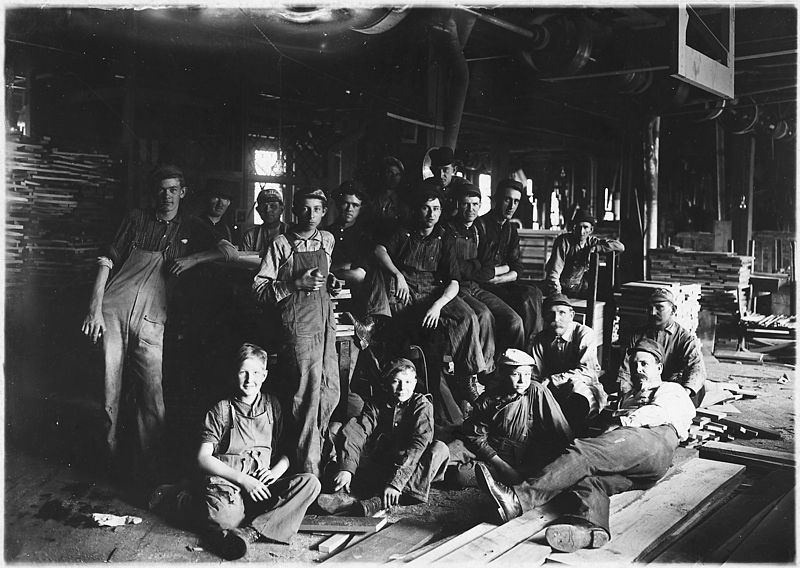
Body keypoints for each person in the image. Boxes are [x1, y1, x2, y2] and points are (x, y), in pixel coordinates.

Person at [81, 164, 237, 487]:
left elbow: (227, 251)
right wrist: (94, 308)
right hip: (114, 308)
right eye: (161, 190)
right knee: (109, 388)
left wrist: (193, 259)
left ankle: (152, 470)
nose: (166, 196)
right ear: (155, 193)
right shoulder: (137, 218)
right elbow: (107, 259)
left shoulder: (191, 226)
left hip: (154, 316)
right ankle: (107, 461)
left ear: (183, 192)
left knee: (153, 394)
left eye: (173, 189)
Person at [475, 338, 695, 553]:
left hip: (653, 439)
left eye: (644, 364)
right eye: (634, 364)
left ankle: (518, 499)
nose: (638, 369)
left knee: (584, 451)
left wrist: (619, 422)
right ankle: (588, 529)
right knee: (589, 481)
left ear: (659, 366)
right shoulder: (628, 397)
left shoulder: (670, 389)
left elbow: (660, 412)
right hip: (643, 467)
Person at [366, 182, 488, 423]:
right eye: (425, 208)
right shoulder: (405, 232)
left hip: (434, 290)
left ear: (442, 211)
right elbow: (379, 250)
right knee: (398, 320)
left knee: (468, 317)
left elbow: (453, 281)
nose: (431, 214)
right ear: (416, 210)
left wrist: (438, 305)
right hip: (406, 287)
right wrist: (397, 275)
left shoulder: (444, 237)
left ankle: (467, 379)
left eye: (436, 209)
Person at [195, 343, 321, 560]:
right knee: (225, 520)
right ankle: (180, 497)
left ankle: (250, 532)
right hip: (230, 484)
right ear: (235, 374)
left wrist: (274, 472)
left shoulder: (273, 405)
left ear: (264, 375)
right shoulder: (222, 409)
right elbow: (203, 457)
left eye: (255, 373)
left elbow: (286, 454)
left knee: (310, 483)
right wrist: (244, 480)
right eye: (243, 372)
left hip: (262, 486)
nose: (248, 379)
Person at [252, 187, 340, 478]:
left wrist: (333, 283)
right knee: (304, 399)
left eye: (316, 209)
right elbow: (259, 290)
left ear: (324, 212)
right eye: (304, 209)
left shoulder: (327, 240)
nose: (310, 215)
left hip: (325, 323)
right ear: (294, 212)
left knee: (329, 392)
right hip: (298, 326)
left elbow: (326, 277)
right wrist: (294, 284)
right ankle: (306, 473)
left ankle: (318, 461)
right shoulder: (281, 244)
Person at [315, 358, 449, 516]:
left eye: (407, 382)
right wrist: (347, 468)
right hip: (382, 462)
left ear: (414, 383)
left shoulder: (422, 404)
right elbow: (358, 430)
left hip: (410, 469)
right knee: (337, 429)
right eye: (396, 381)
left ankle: (380, 501)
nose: (402, 388)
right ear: (387, 382)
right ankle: (343, 491)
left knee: (439, 449)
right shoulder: (377, 402)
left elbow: (417, 446)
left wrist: (396, 483)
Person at [446, 348, 573, 488]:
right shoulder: (489, 397)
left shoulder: (536, 391)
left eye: (527, 374)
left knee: (459, 476)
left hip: (524, 457)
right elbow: (476, 435)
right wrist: (503, 467)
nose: (522, 380)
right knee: (451, 465)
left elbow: (560, 430)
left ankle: (507, 477)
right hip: (493, 454)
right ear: (503, 374)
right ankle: (499, 474)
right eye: (516, 374)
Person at [445, 182, 525, 355]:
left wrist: (476, 268)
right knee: (484, 316)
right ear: (458, 205)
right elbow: (453, 269)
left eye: (475, 205)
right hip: (456, 288)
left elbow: (488, 268)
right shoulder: (448, 230)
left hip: (476, 286)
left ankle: (515, 366)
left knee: (515, 321)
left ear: (480, 205)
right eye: (466, 204)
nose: (471, 209)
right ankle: (485, 372)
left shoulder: (477, 230)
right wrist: (477, 266)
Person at [475, 179, 544, 342]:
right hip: (483, 286)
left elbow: (517, 266)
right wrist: (505, 269)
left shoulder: (511, 230)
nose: (511, 206)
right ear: (496, 199)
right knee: (516, 319)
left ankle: (534, 347)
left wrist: (501, 276)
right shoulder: (480, 226)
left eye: (516, 201)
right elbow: (482, 269)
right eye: (507, 199)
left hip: (500, 282)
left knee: (534, 293)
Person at [530, 293, 607, 433]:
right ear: (544, 317)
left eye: (562, 313)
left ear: (572, 315)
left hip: (581, 385)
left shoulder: (584, 334)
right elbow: (537, 373)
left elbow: (587, 371)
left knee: (577, 399)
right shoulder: (540, 339)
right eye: (551, 314)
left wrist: (553, 379)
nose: (556, 319)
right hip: (550, 388)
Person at [616, 288, 707, 406]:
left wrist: (683, 393)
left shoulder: (684, 338)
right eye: (650, 308)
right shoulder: (637, 335)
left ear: (673, 310)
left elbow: (696, 368)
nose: (653, 313)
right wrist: (626, 397)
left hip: (673, 388)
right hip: (644, 386)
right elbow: (625, 370)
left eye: (659, 307)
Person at [543, 210, 625, 298]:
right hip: (560, 286)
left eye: (585, 227)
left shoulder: (591, 242)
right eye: (578, 227)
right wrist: (557, 294)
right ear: (574, 228)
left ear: (591, 230)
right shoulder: (564, 241)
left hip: (578, 286)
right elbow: (554, 272)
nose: (581, 231)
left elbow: (620, 246)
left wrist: (597, 248)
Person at [326, 180, 374, 292]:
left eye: (355, 205)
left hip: (356, 293)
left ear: (361, 208)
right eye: (345, 203)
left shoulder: (365, 236)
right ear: (338, 204)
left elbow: (359, 275)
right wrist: (345, 267)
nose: (349, 209)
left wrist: (331, 270)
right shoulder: (327, 233)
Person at [240, 188, 287, 259]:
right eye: (263, 207)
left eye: (273, 206)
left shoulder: (291, 232)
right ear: (258, 210)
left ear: (282, 209)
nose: (268, 210)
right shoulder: (250, 236)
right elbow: (244, 263)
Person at [198, 177, 236, 242]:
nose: (220, 203)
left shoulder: (226, 229)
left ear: (228, 203)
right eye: (216, 197)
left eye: (224, 198)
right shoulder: (195, 225)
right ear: (207, 199)